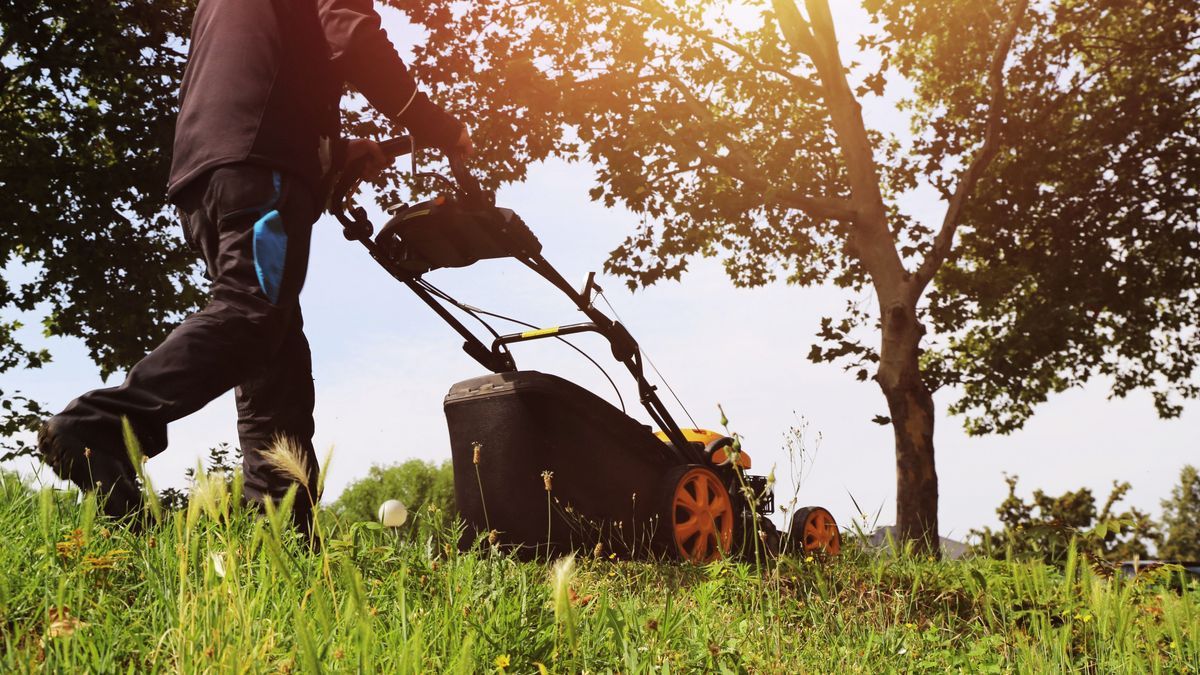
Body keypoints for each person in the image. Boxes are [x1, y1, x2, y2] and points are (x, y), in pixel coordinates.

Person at [36, 0, 470, 532]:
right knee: (252, 315)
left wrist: (335, 150)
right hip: (260, 168)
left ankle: (280, 527)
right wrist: (434, 124)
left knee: (275, 352)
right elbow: (351, 35)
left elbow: (264, 74)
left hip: (207, 173)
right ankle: (104, 423)